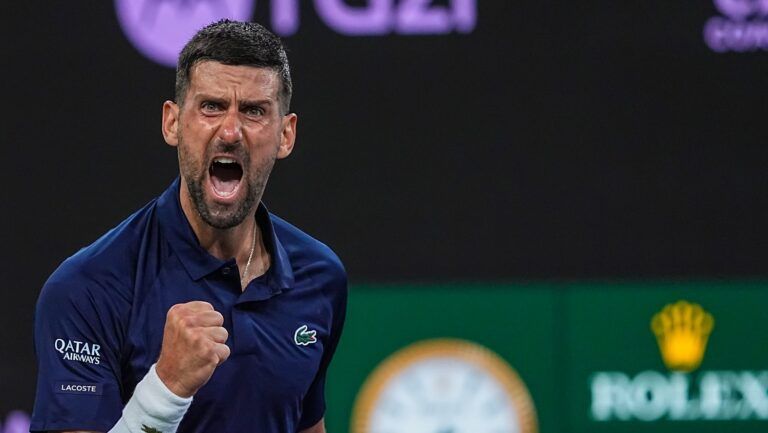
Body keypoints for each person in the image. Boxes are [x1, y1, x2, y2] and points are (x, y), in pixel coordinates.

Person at [30, 20, 347, 433]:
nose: (230, 131)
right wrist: (166, 389)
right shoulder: (86, 289)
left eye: (253, 111)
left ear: (285, 135)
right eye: (212, 106)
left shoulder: (320, 276)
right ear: (173, 123)